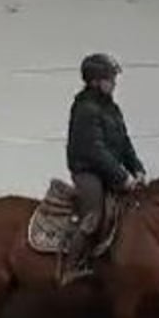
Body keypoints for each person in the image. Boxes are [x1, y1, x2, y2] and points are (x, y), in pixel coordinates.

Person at [60, 53, 147, 285]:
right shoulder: (85, 108)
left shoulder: (112, 109)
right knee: (94, 215)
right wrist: (122, 177)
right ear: (95, 81)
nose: (114, 82)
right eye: (110, 78)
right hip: (88, 171)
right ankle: (72, 266)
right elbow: (94, 150)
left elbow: (125, 143)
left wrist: (137, 169)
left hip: (109, 171)